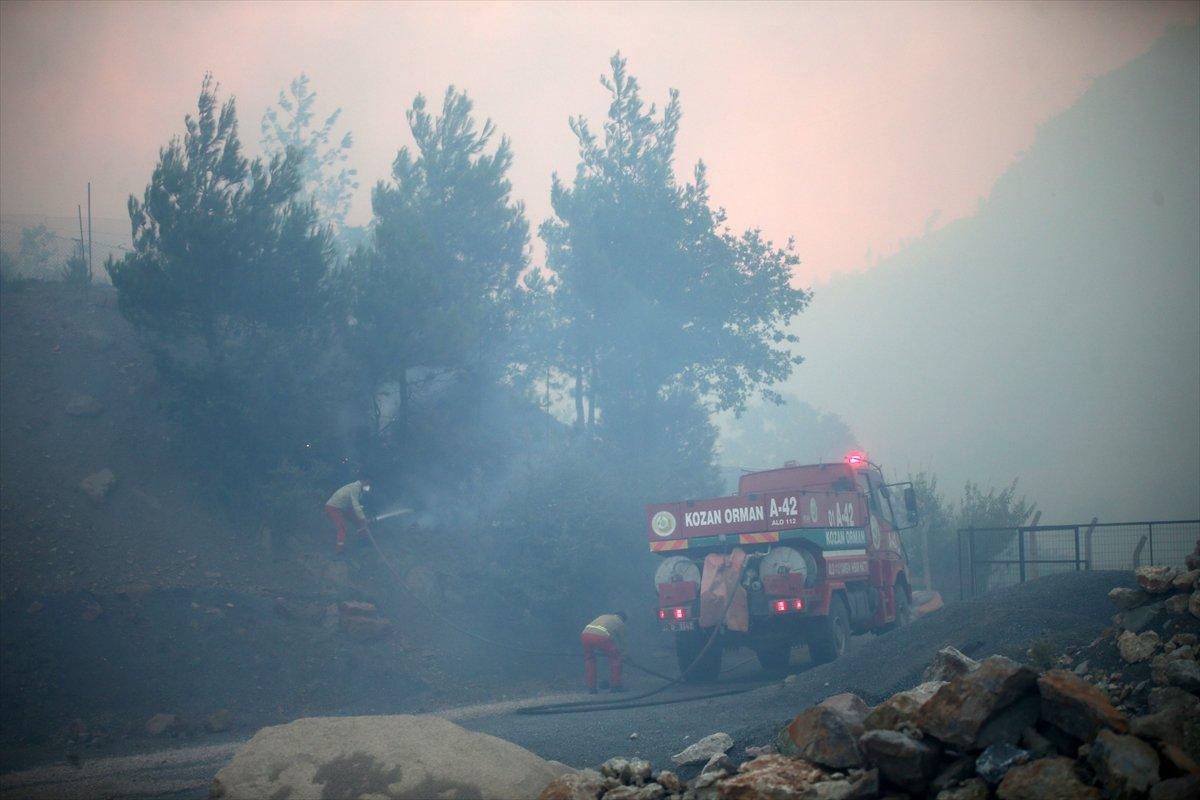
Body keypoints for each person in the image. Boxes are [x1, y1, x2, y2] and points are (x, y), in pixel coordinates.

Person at [581, 611, 627, 694]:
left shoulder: (604, 616)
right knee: (616, 658)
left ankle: (592, 688)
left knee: (590, 660)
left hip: (585, 635)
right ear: (623, 618)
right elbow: (623, 642)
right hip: (600, 637)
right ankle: (616, 686)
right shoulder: (620, 622)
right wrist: (625, 655)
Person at [325, 477, 372, 554]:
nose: (368, 485)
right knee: (342, 527)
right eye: (367, 483)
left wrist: (361, 518)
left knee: (359, 522)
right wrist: (363, 517)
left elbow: (355, 505)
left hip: (344, 507)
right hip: (333, 507)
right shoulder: (355, 488)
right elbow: (355, 504)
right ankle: (339, 550)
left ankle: (363, 542)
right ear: (363, 481)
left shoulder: (360, 489)